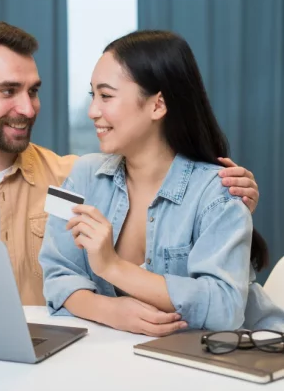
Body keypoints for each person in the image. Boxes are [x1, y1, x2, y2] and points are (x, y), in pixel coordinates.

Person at [0, 22, 259, 315]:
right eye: (8, 91)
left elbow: (152, 182)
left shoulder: (75, 180)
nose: (27, 107)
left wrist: (226, 197)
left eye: (33, 91)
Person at [39, 29, 284, 337]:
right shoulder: (79, 176)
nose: (92, 111)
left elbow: (225, 308)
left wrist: (112, 267)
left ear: (157, 105)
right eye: (92, 95)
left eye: (106, 96)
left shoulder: (221, 189)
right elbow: (55, 275)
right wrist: (112, 311)